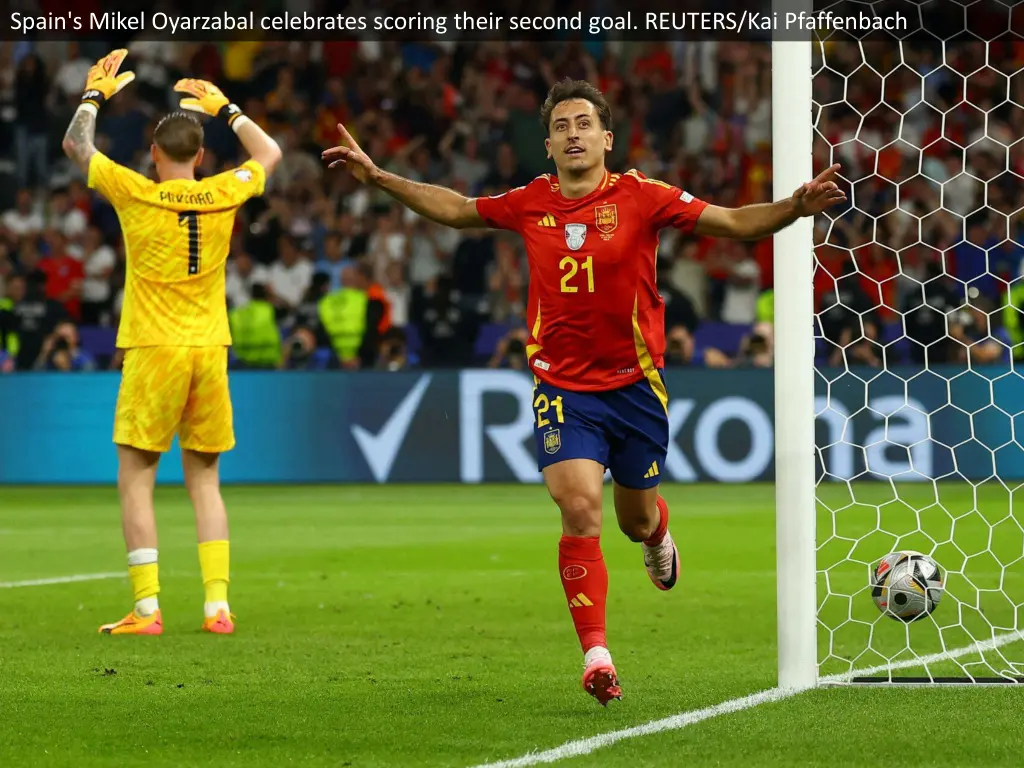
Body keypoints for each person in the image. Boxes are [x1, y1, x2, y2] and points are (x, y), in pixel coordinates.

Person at [322, 78, 845, 705]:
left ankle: (656, 535)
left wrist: (795, 205)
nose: (573, 133)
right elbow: (459, 209)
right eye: (562, 126)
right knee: (578, 508)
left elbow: (732, 222)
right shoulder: (531, 201)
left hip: (636, 386)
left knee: (635, 518)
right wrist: (381, 178)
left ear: (606, 138)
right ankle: (596, 654)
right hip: (563, 386)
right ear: (548, 145)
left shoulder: (641, 197)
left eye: (583, 124)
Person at [61, 50, 281, 636]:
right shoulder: (224, 192)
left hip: (155, 347)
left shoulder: (136, 190)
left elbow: (77, 148)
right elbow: (270, 154)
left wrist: (92, 97)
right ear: (201, 156)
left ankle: (147, 608)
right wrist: (227, 107)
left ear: (155, 154)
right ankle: (217, 606)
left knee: (136, 476)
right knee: (204, 479)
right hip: (209, 349)